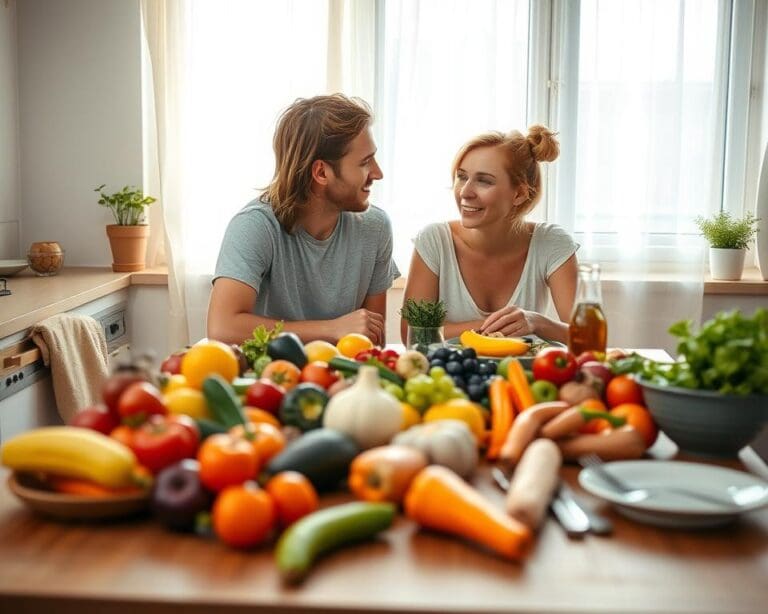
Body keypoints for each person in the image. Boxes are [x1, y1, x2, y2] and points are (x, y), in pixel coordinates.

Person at [208, 94, 400, 345]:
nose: (377, 173)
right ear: (321, 172)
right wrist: (330, 329)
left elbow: (371, 339)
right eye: (365, 162)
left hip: (342, 376)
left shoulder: (375, 227)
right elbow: (223, 327)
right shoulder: (255, 226)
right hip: (272, 375)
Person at [401, 125, 578, 344]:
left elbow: (586, 339)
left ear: (520, 194)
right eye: (462, 177)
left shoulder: (551, 243)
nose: (465, 192)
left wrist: (536, 323)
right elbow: (414, 335)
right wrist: (501, 326)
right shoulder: (434, 240)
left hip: (522, 376)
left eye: (484, 181)